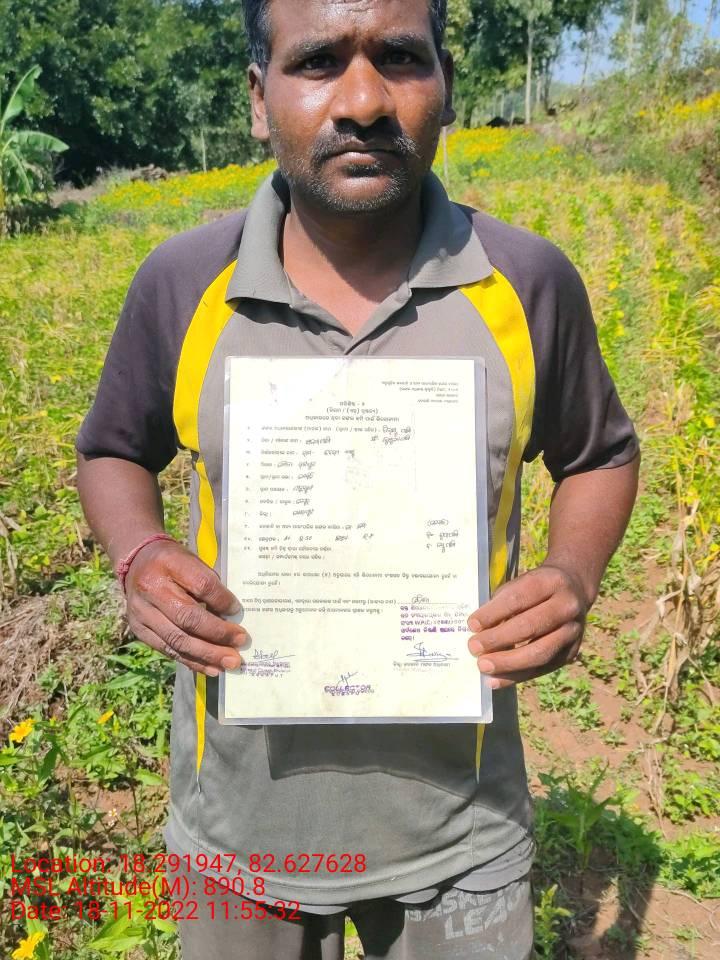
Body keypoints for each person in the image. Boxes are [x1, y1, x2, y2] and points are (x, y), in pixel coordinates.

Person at [74, 0, 640, 957]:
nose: (365, 100)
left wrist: (573, 574)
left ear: (447, 85)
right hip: (237, 832)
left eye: (402, 58)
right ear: (259, 98)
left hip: (463, 835)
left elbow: (599, 455)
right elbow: (112, 449)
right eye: (318, 61)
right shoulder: (184, 282)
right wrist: (139, 552)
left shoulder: (527, 284)